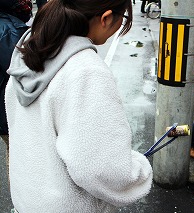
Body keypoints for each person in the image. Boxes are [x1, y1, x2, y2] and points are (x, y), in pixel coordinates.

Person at [5, 0, 153, 212]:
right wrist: (139, 170)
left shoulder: (29, 50)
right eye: (124, 19)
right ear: (106, 18)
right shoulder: (86, 71)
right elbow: (102, 170)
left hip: (28, 201)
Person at [0, 0, 32, 178]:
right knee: (21, 160)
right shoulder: (10, 32)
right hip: (9, 112)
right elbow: (26, 73)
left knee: (13, 153)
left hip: (5, 113)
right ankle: (20, 202)